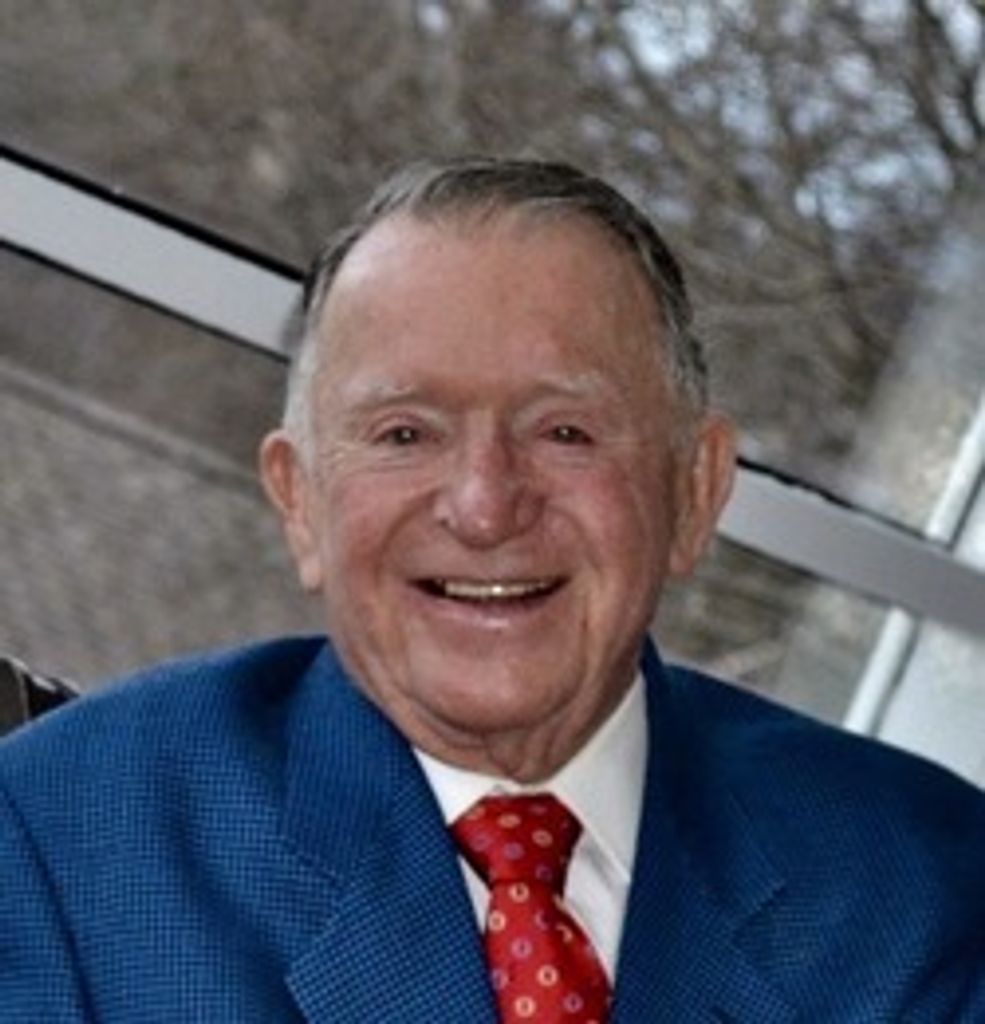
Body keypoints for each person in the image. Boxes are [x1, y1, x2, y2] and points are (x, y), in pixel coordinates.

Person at [1, 158, 982, 1023]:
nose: (483, 506)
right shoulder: (63, 841)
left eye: (564, 432)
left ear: (693, 491)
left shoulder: (926, 883)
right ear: (299, 500)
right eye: (405, 433)